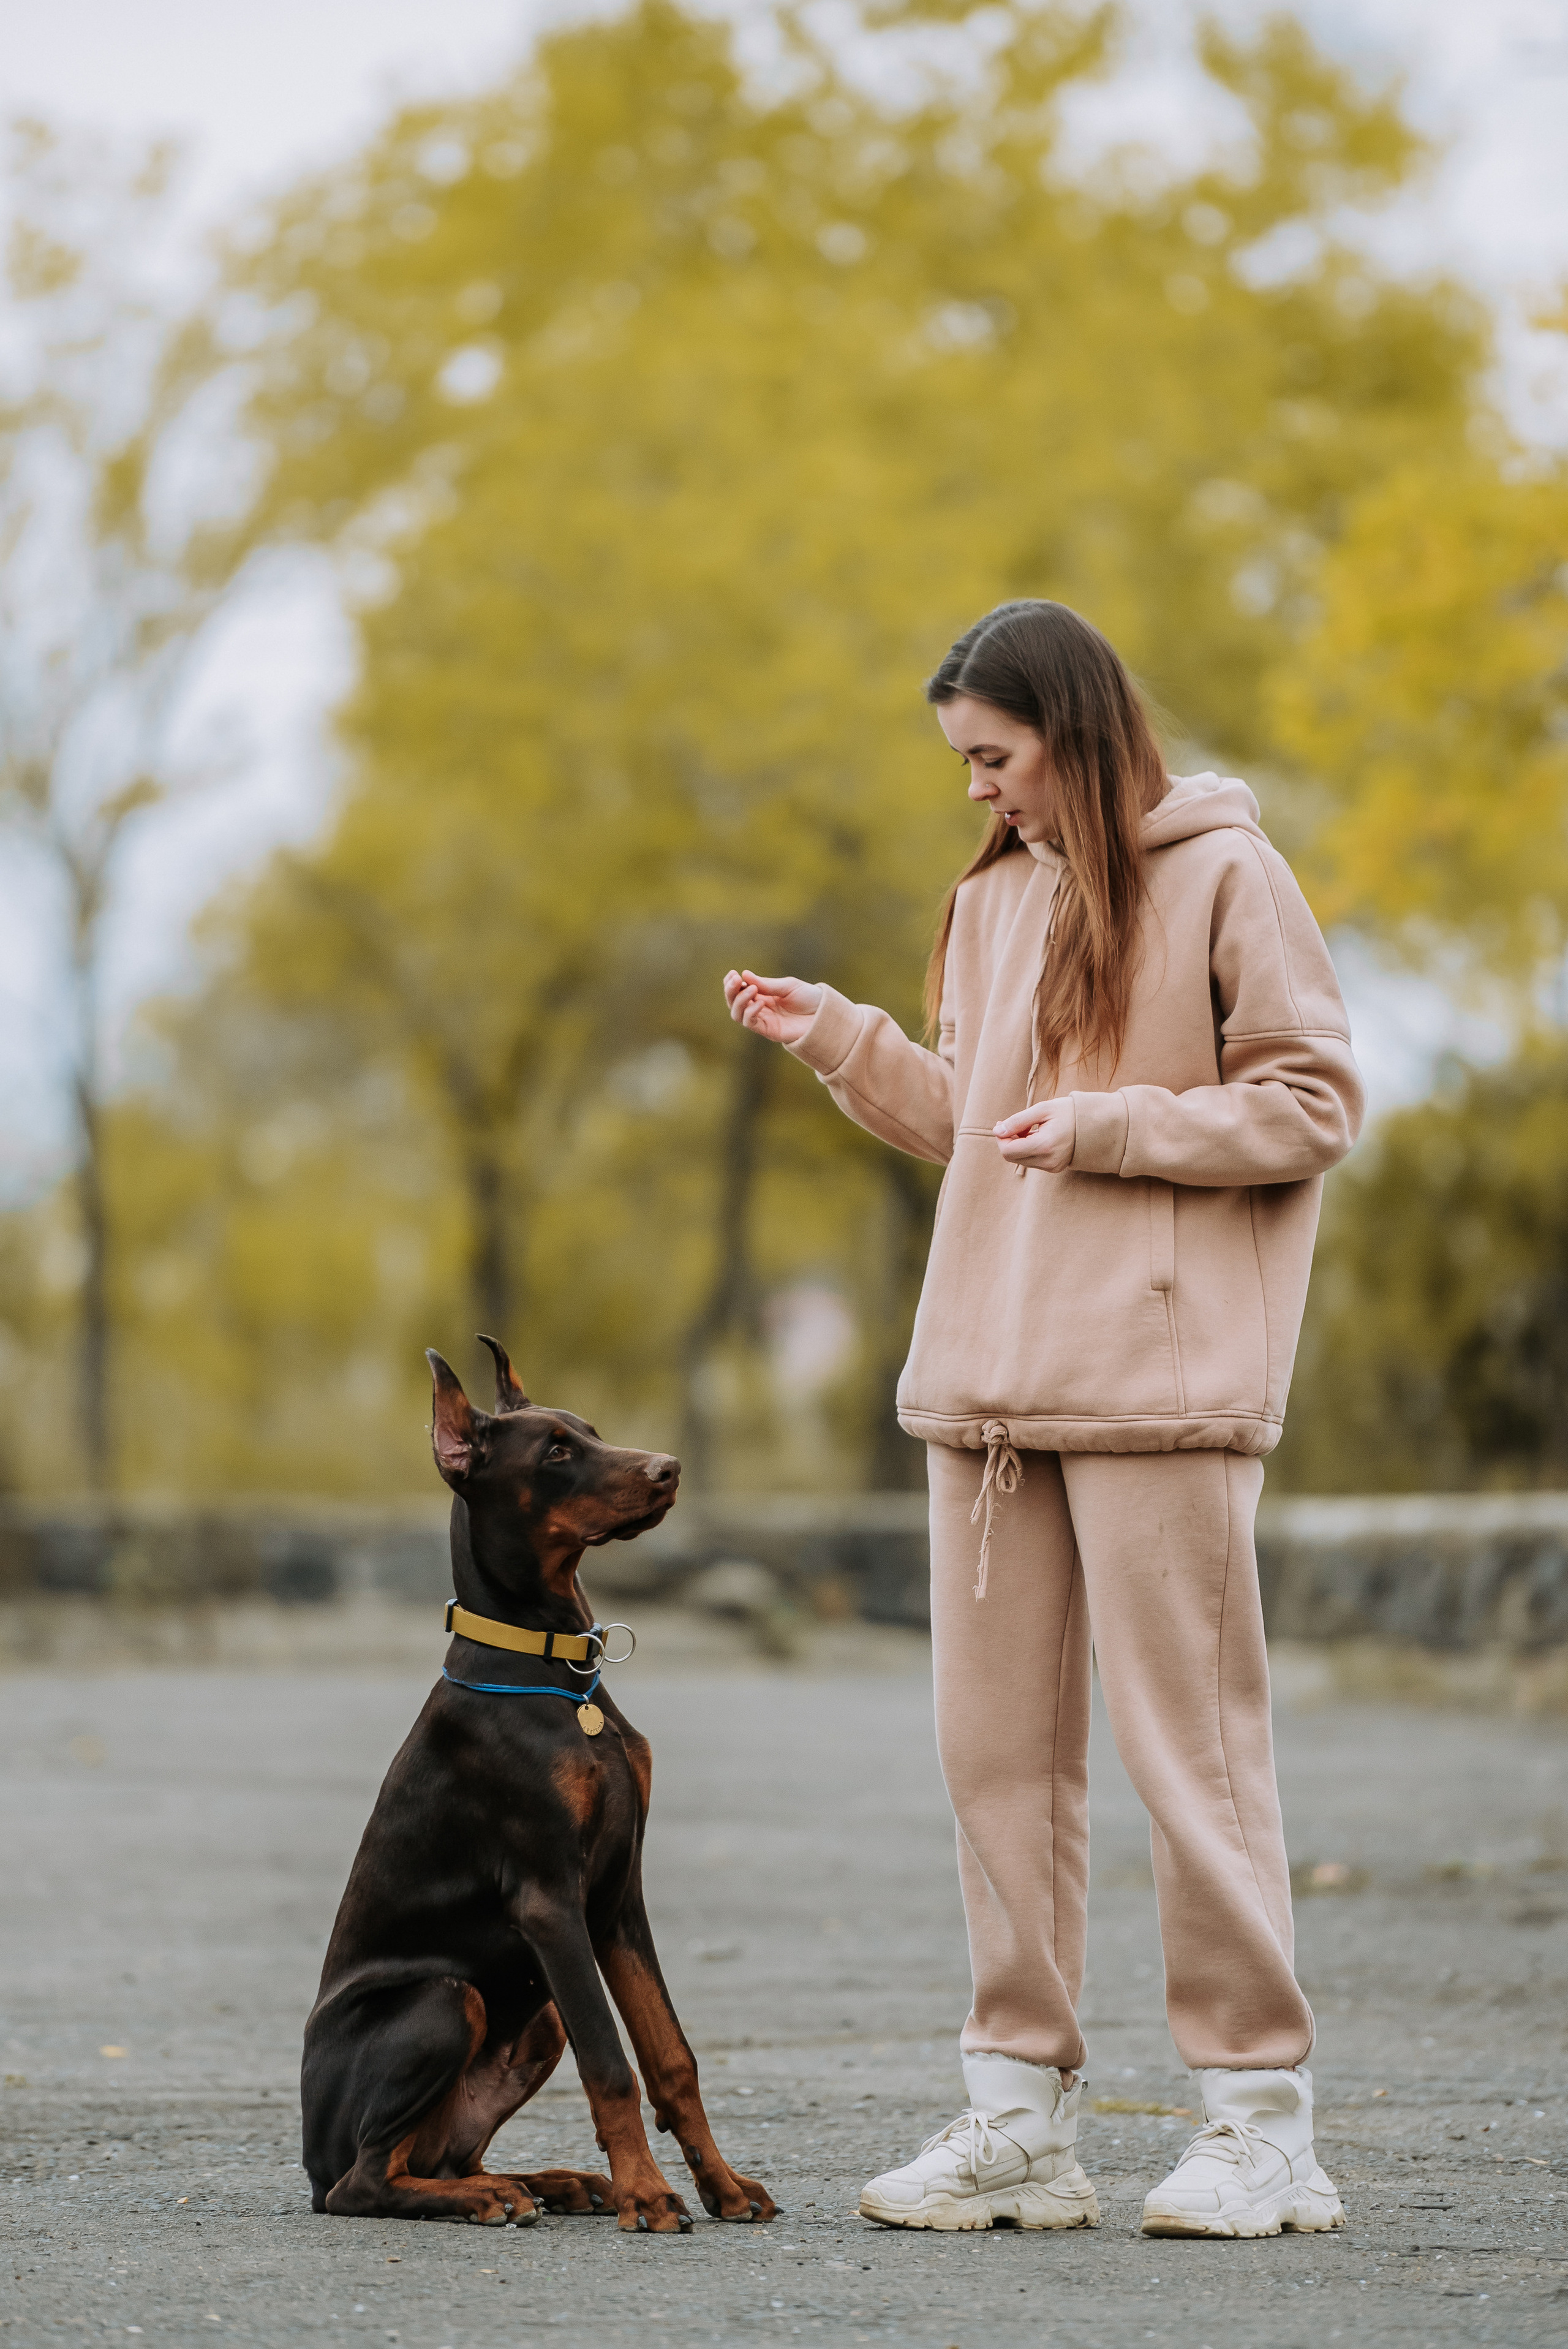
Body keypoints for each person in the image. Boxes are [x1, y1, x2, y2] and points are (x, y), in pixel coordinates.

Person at [722, 599, 1363, 2241]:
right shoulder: (996, 897)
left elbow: (1309, 1099)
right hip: (988, 1391)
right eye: (961, 763)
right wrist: (846, 1042)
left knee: (1189, 1756)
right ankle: (1021, 2119)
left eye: (992, 758)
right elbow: (989, 1125)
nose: (975, 791)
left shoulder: (1227, 872)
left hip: (1159, 1390)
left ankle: (1260, 2122)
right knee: (994, 1762)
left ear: (1071, 732)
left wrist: (1119, 1126)